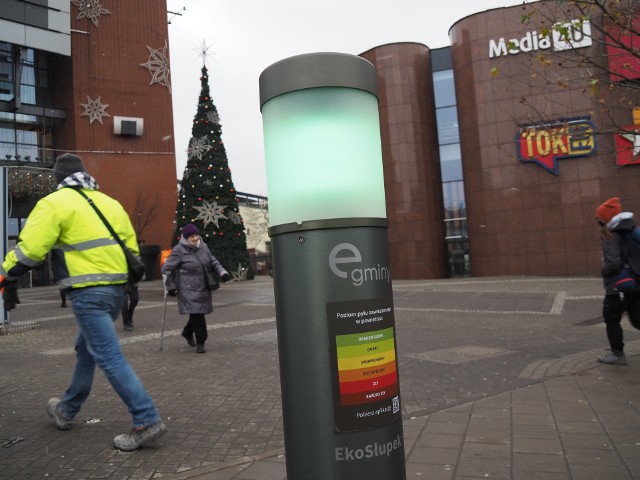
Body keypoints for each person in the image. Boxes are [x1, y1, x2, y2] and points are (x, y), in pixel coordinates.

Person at [0, 153, 166, 451]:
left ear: (58, 178)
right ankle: (66, 409)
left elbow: (32, 250)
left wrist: (6, 273)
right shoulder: (110, 203)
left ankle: (146, 419)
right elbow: (131, 248)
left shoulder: (54, 203)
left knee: (107, 355)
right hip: (117, 290)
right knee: (88, 349)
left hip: (88, 292)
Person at [161, 223, 230, 353]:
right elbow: (167, 268)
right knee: (198, 315)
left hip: (203, 286)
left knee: (198, 312)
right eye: (192, 236)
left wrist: (222, 272)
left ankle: (187, 332)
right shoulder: (179, 250)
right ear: (186, 237)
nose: (195, 238)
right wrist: (170, 287)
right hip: (187, 288)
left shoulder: (204, 247)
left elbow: (213, 261)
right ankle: (201, 342)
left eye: (196, 235)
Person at [595, 197, 640, 365]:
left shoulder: (610, 235)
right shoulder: (630, 230)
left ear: (605, 219)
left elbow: (613, 263)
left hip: (617, 286)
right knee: (637, 319)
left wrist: (604, 271)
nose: (598, 220)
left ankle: (617, 354)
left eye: (599, 217)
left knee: (611, 318)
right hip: (635, 282)